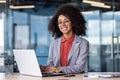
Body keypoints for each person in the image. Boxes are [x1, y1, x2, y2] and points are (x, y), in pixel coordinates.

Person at [40, 4, 89, 74]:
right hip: (57, 78)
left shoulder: (83, 43)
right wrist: (44, 68)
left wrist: (59, 69)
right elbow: (51, 64)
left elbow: (79, 67)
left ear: (73, 23)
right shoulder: (54, 43)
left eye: (66, 21)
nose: (62, 24)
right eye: (60, 22)